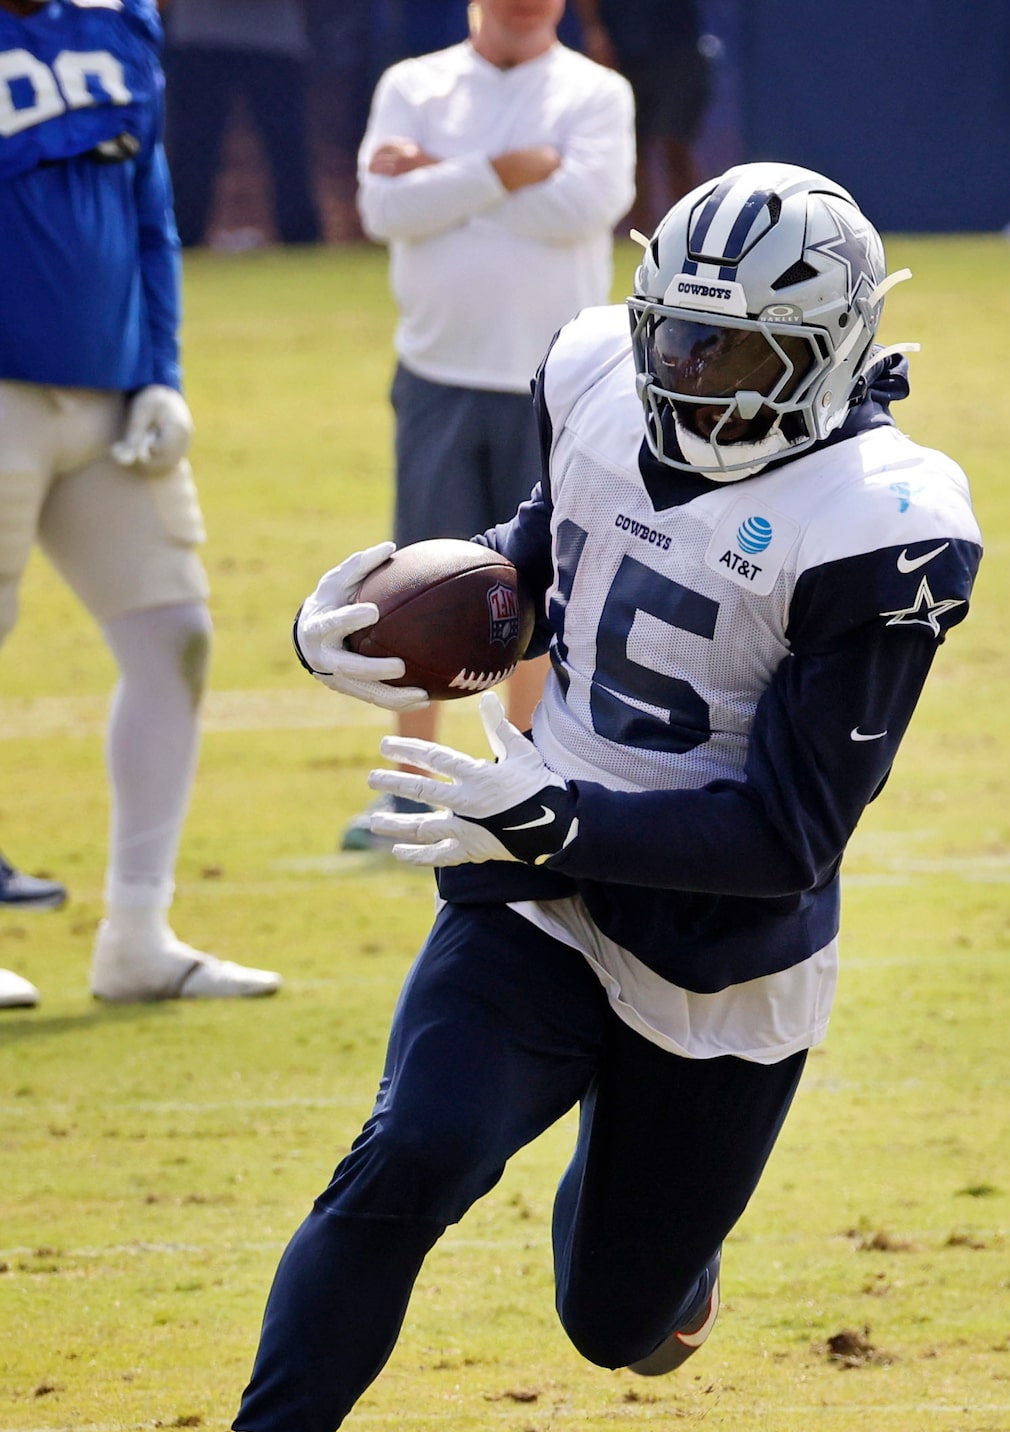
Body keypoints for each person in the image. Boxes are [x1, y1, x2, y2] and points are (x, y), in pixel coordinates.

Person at [186, 163, 975, 1432]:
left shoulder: (882, 524)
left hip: (717, 954)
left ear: (822, 353)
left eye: (729, 356)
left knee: (613, 1320)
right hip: (533, 877)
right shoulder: (593, 371)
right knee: (412, 1153)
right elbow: (555, 554)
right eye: (672, 336)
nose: (685, 376)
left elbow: (789, 836)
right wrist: (376, 616)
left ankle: (661, 1256)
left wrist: (560, 818)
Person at [0, 0, 277, 1006]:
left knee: (176, 638)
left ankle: (138, 935)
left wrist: (161, 368)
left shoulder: (121, 21)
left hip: (112, 390)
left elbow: (149, 204)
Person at [344, 0, 634, 850]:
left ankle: (529, 779)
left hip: (559, 382)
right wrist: (507, 169)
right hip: (437, 370)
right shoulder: (414, 84)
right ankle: (405, 790)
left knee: (545, 588)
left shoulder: (595, 92)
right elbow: (384, 212)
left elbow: (581, 208)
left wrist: (441, 176)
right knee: (409, 590)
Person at [161, 0, 322, 249]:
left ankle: (302, 242)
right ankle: (181, 241)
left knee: (288, 150)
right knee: (192, 152)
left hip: (275, 38)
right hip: (199, 36)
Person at [572, 0, 712, 234]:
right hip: (623, 44)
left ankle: (694, 232)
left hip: (678, 44)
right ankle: (640, 236)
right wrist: (594, 29)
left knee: (676, 146)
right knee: (632, 151)